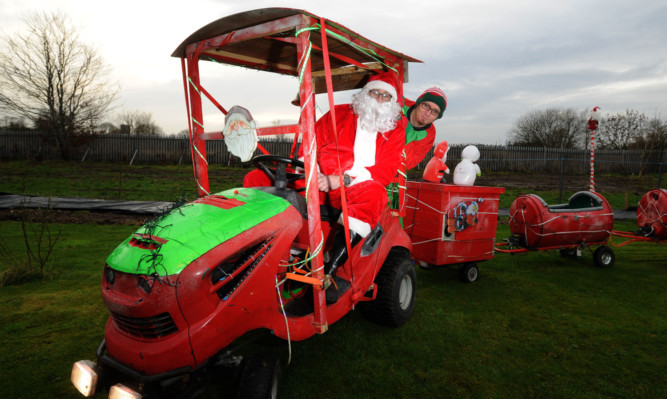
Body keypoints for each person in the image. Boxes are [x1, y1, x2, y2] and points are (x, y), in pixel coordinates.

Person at [243, 71, 406, 302]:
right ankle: (256, 249)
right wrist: (311, 171)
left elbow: (386, 171)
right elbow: (310, 145)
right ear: (364, 94)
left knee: (374, 194)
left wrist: (339, 180)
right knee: (256, 179)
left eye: (385, 96)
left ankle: (329, 270)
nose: (379, 100)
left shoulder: (395, 131)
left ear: (392, 102)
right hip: (317, 179)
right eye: (374, 92)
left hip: (356, 186)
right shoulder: (337, 115)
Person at [402, 87, 447, 169]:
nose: (428, 113)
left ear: (437, 118)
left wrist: (406, 130)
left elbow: (409, 163)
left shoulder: (429, 134)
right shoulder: (400, 104)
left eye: (435, 111)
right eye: (426, 105)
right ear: (418, 103)